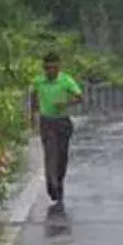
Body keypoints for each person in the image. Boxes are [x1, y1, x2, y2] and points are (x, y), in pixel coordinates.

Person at [29, 52, 84, 206]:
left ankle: (59, 182)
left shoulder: (66, 80)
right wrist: (33, 115)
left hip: (63, 122)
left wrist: (66, 103)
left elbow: (79, 97)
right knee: (50, 154)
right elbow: (33, 95)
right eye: (47, 68)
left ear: (59, 67)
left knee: (62, 157)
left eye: (54, 68)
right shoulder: (39, 81)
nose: (50, 71)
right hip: (47, 122)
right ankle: (51, 185)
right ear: (44, 68)